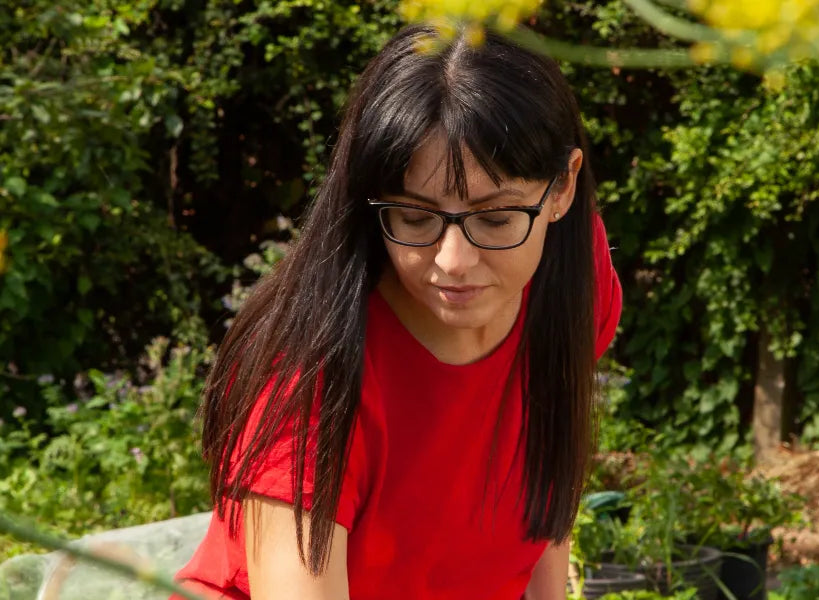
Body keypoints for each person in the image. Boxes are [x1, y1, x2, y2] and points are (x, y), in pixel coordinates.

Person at [171, 23, 624, 600]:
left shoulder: (569, 279)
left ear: (561, 189)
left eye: (495, 219)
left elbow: (540, 481)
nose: (454, 261)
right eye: (415, 218)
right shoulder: (308, 381)